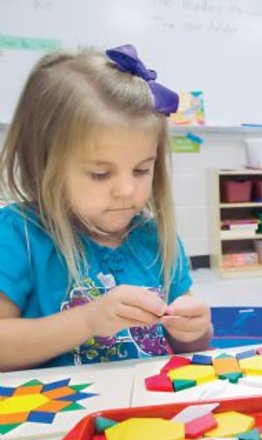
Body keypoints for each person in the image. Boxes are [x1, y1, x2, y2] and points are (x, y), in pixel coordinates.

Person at [0, 45, 213, 371]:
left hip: (150, 415)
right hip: (59, 416)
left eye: (142, 170)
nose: (127, 190)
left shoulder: (154, 238)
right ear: (42, 164)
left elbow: (188, 347)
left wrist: (195, 331)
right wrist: (87, 320)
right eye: (100, 174)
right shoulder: (17, 237)